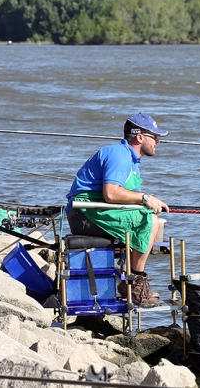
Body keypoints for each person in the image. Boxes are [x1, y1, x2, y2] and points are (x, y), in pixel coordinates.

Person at [66, 113, 170, 308]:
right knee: (150, 221)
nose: (158, 141)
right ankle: (134, 283)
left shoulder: (131, 161)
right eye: (154, 136)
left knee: (151, 218)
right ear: (140, 137)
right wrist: (145, 198)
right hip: (84, 213)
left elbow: (127, 198)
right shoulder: (120, 155)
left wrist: (151, 203)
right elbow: (112, 194)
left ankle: (129, 281)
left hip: (96, 210)